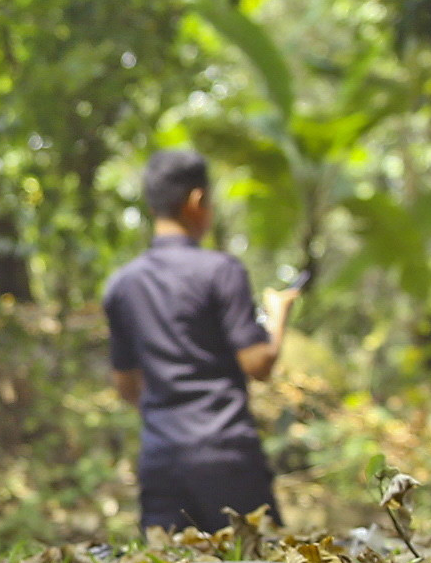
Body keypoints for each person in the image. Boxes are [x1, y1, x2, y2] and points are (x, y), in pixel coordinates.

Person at [104, 148, 298, 535]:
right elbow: (258, 365)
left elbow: (126, 387)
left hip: (160, 458)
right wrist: (278, 317)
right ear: (197, 201)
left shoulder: (122, 285)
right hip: (226, 451)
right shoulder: (221, 272)